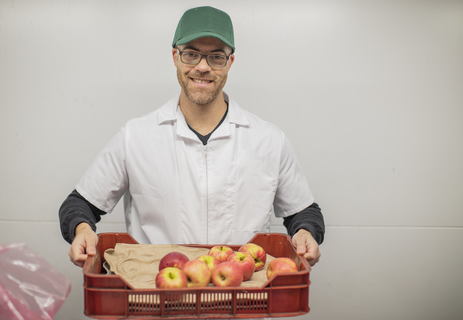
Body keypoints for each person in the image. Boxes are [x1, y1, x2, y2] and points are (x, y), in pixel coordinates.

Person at [59, 6, 325, 268]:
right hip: (156, 300)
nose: (202, 67)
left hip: (242, 300)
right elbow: (80, 204)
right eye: (191, 54)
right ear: (175, 57)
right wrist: (82, 229)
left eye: (216, 57)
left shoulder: (269, 140)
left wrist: (304, 232)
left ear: (230, 62)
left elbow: (304, 211)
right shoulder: (135, 137)